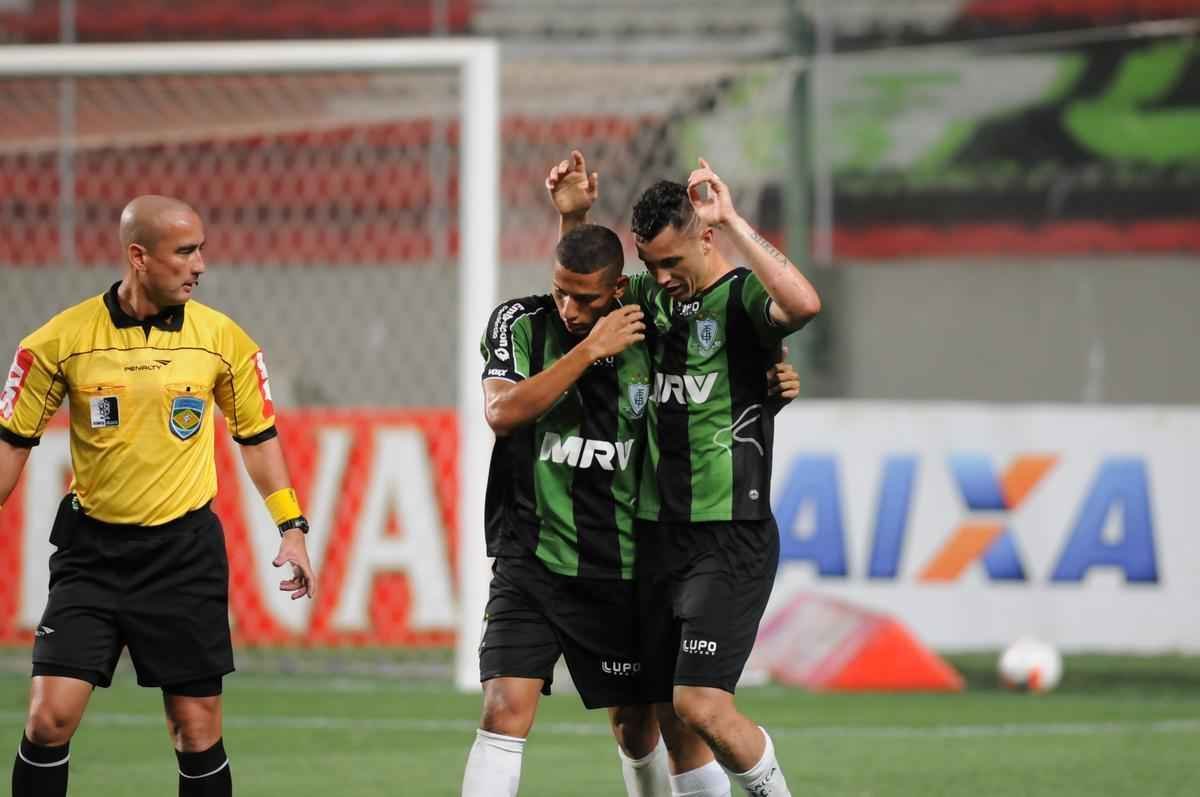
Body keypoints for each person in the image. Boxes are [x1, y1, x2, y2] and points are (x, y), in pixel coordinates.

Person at [462, 222, 800, 797]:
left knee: (650, 725)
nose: (569, 308)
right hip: (532, 559)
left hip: (625, 566)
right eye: (561, 292)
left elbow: (711, 378)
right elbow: (503, 412)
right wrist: (590, 345)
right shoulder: (518, 323)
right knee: (502, 709)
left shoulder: (651, 337)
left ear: (618, 291)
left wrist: (767, 384)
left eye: (587, 299)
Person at [0, 195, 317, 797]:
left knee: (195, 731)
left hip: (183, 554)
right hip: (91, 553)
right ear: (139, 256)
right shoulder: (57, 342)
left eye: (200, 249)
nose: (199, 265)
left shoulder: (224, 341)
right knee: (47, 720)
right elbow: (12, 444)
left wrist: (292, 527)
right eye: (185, 252)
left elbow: (258, 439)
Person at [549, 151, 821, 797]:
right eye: (652, 265)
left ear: (705, 237)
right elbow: (582, 299)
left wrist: (730, 218)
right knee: (666, 717)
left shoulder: (743, 297)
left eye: (674, 261)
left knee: (700, 704)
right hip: (650, 534)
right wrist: (577, 218)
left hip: (728, 532)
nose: (662, 276)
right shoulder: (647, 298)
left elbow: (804, 302)